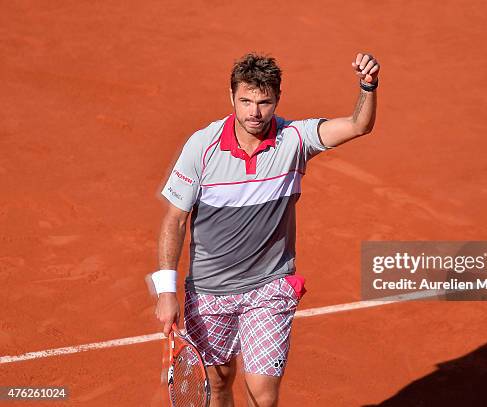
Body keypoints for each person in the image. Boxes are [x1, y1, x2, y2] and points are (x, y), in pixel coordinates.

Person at [152, 51, 379, 407]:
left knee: (262, 395)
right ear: (231, 97)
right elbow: (175, 219)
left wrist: (368, 86)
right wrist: (166, 291)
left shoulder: (295, 139)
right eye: (245, 101)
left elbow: (358, 125)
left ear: (277, 100)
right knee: (218, 383)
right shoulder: (202, 147)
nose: (253, 113)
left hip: (269, 289)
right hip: (210, 291)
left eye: (263, 102)